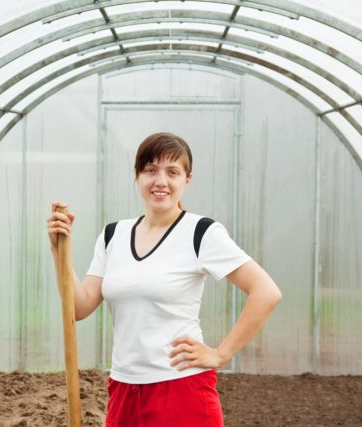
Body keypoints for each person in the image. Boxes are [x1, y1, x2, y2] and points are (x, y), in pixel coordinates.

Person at [47, 132, 282, 426]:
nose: (161, 181)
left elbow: (266, 291)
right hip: (124, 388)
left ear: (187, 180)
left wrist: (221, 354)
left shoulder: (201, 232)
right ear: (137, 176)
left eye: (173, 172)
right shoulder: (113, 235)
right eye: (150, 170)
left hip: (180, 389)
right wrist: (59, 252)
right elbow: (78, 308)